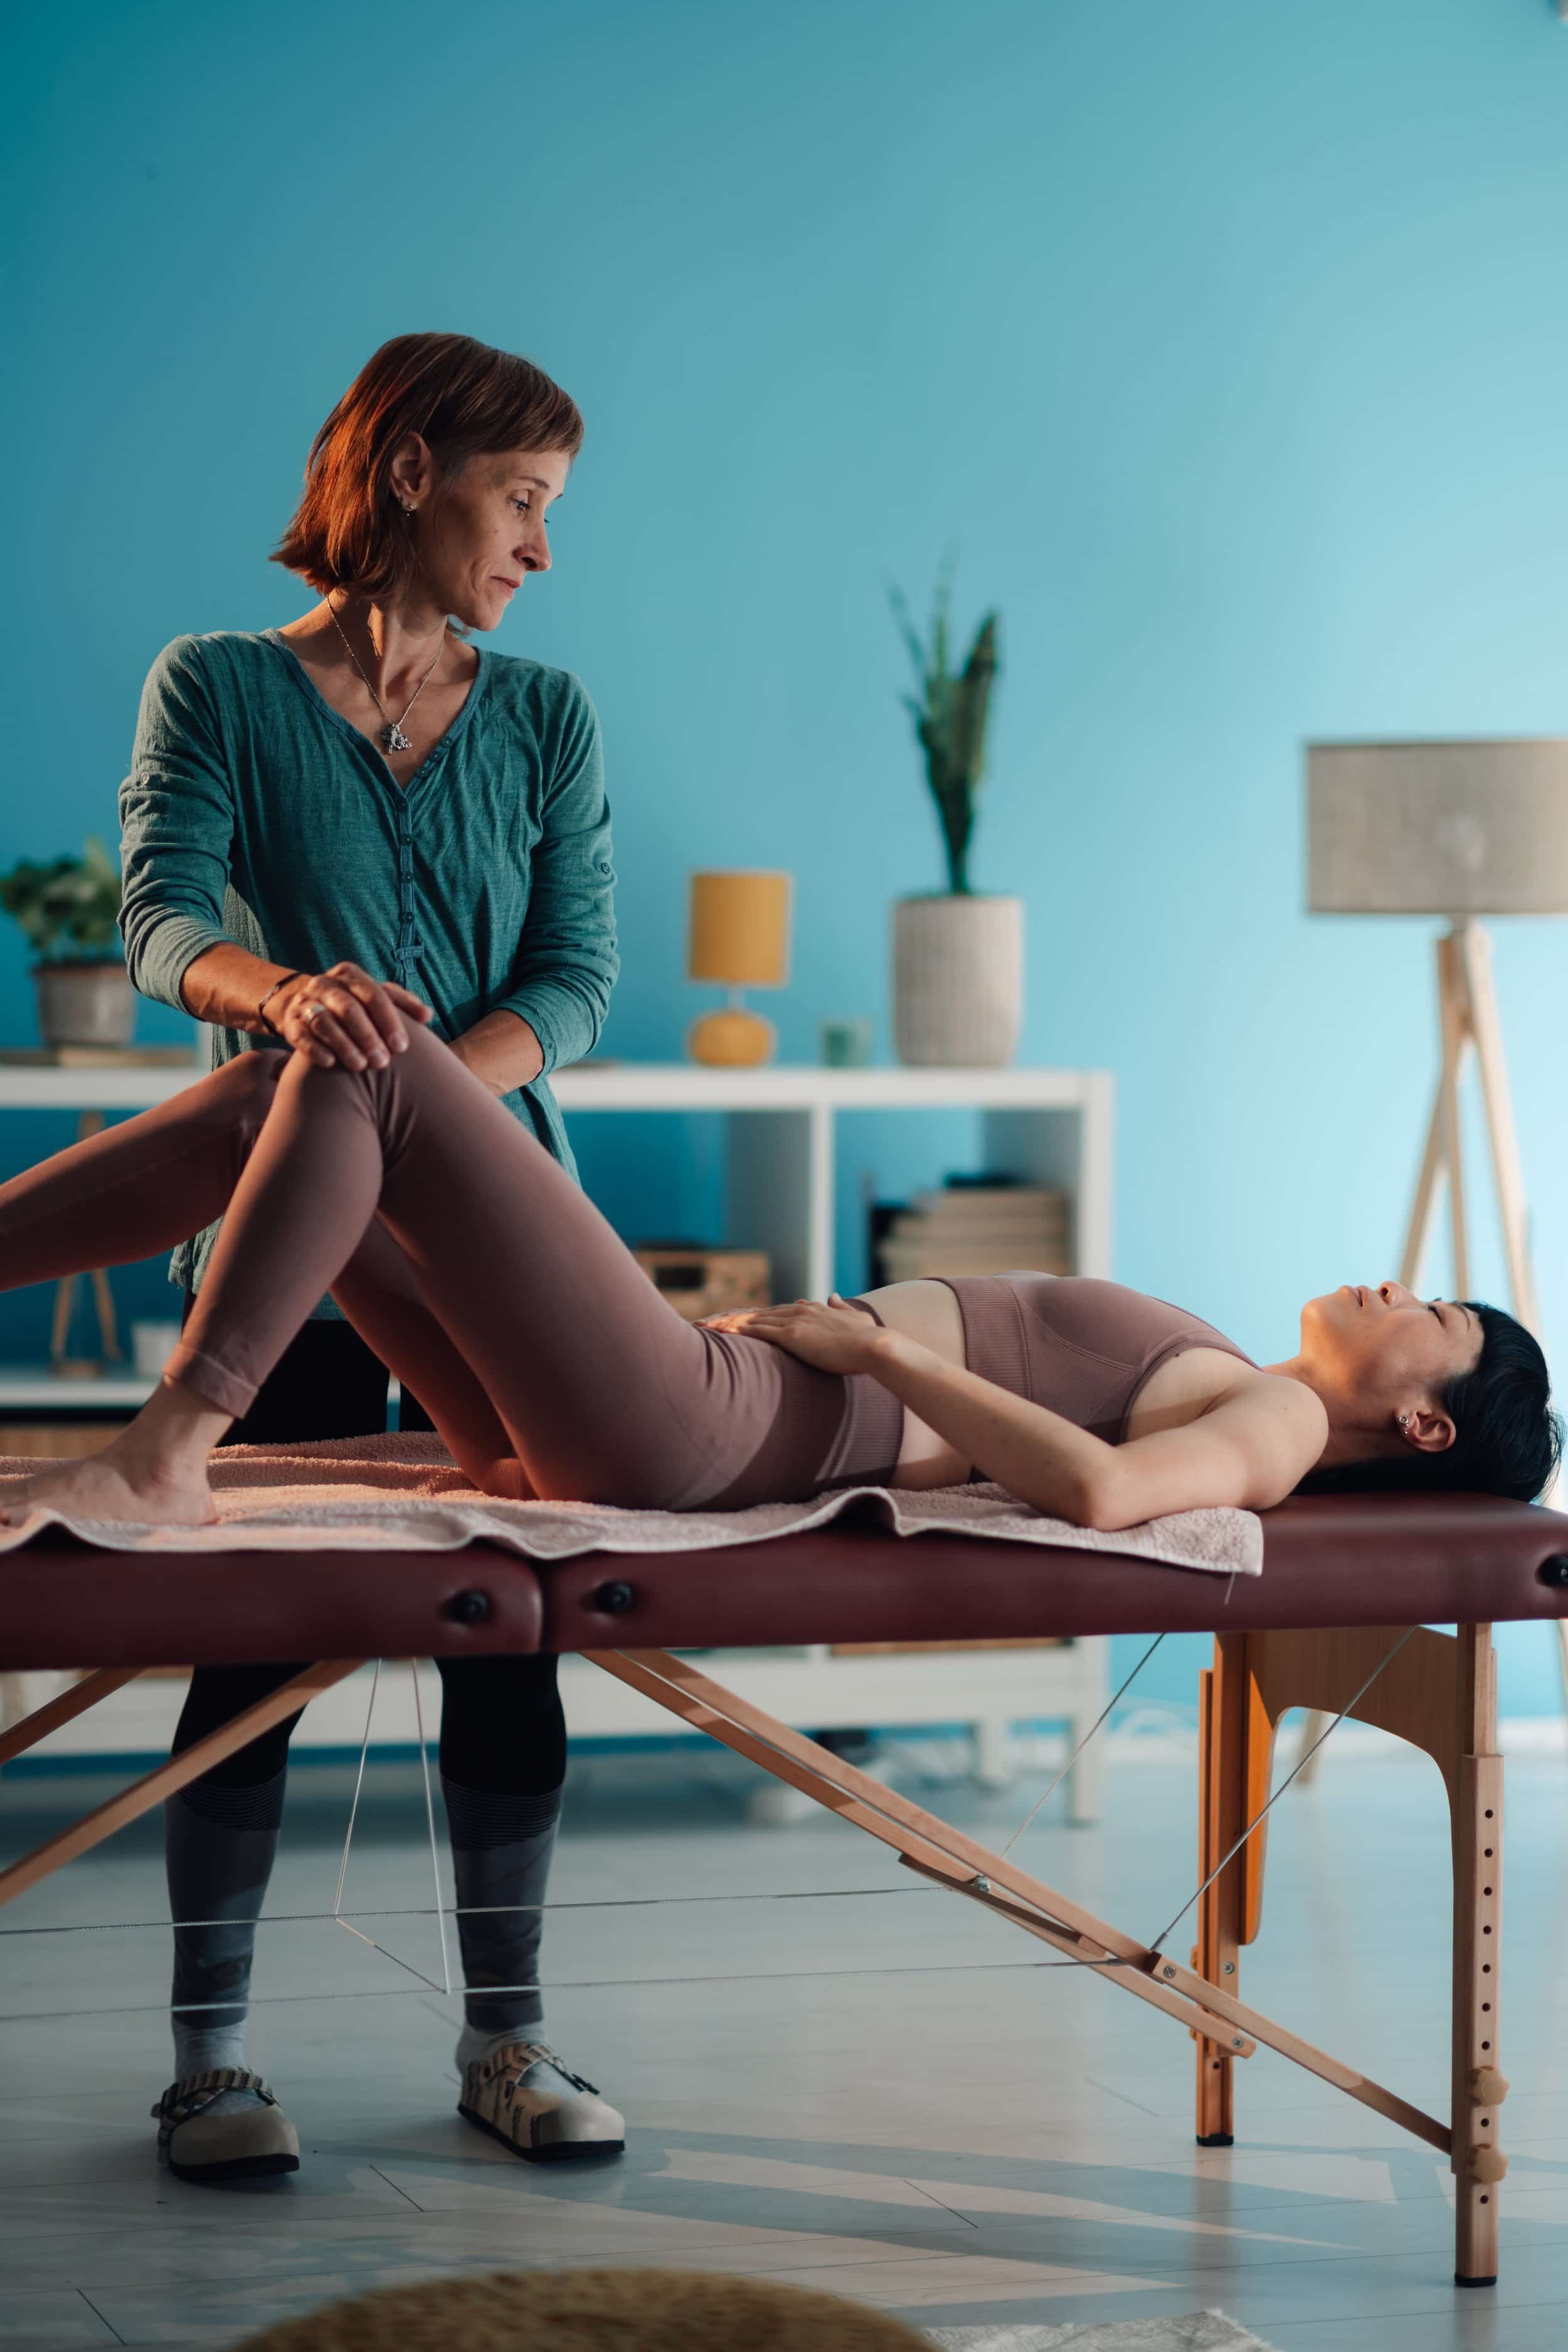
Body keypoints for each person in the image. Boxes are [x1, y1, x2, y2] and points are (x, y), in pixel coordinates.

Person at [108, 332, 620, 2181]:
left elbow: (572, 980)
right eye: (522, 502)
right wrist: (291, 999)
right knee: (253, 1645)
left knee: (511, 1633)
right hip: (283, 1251)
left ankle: (508, 2043)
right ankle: (209, 2064)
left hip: (512, 1250)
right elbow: (162, 918)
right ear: (411, 473)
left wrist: (424, 1104)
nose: (541, 549)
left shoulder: (546, 716)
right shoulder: (222, 688)